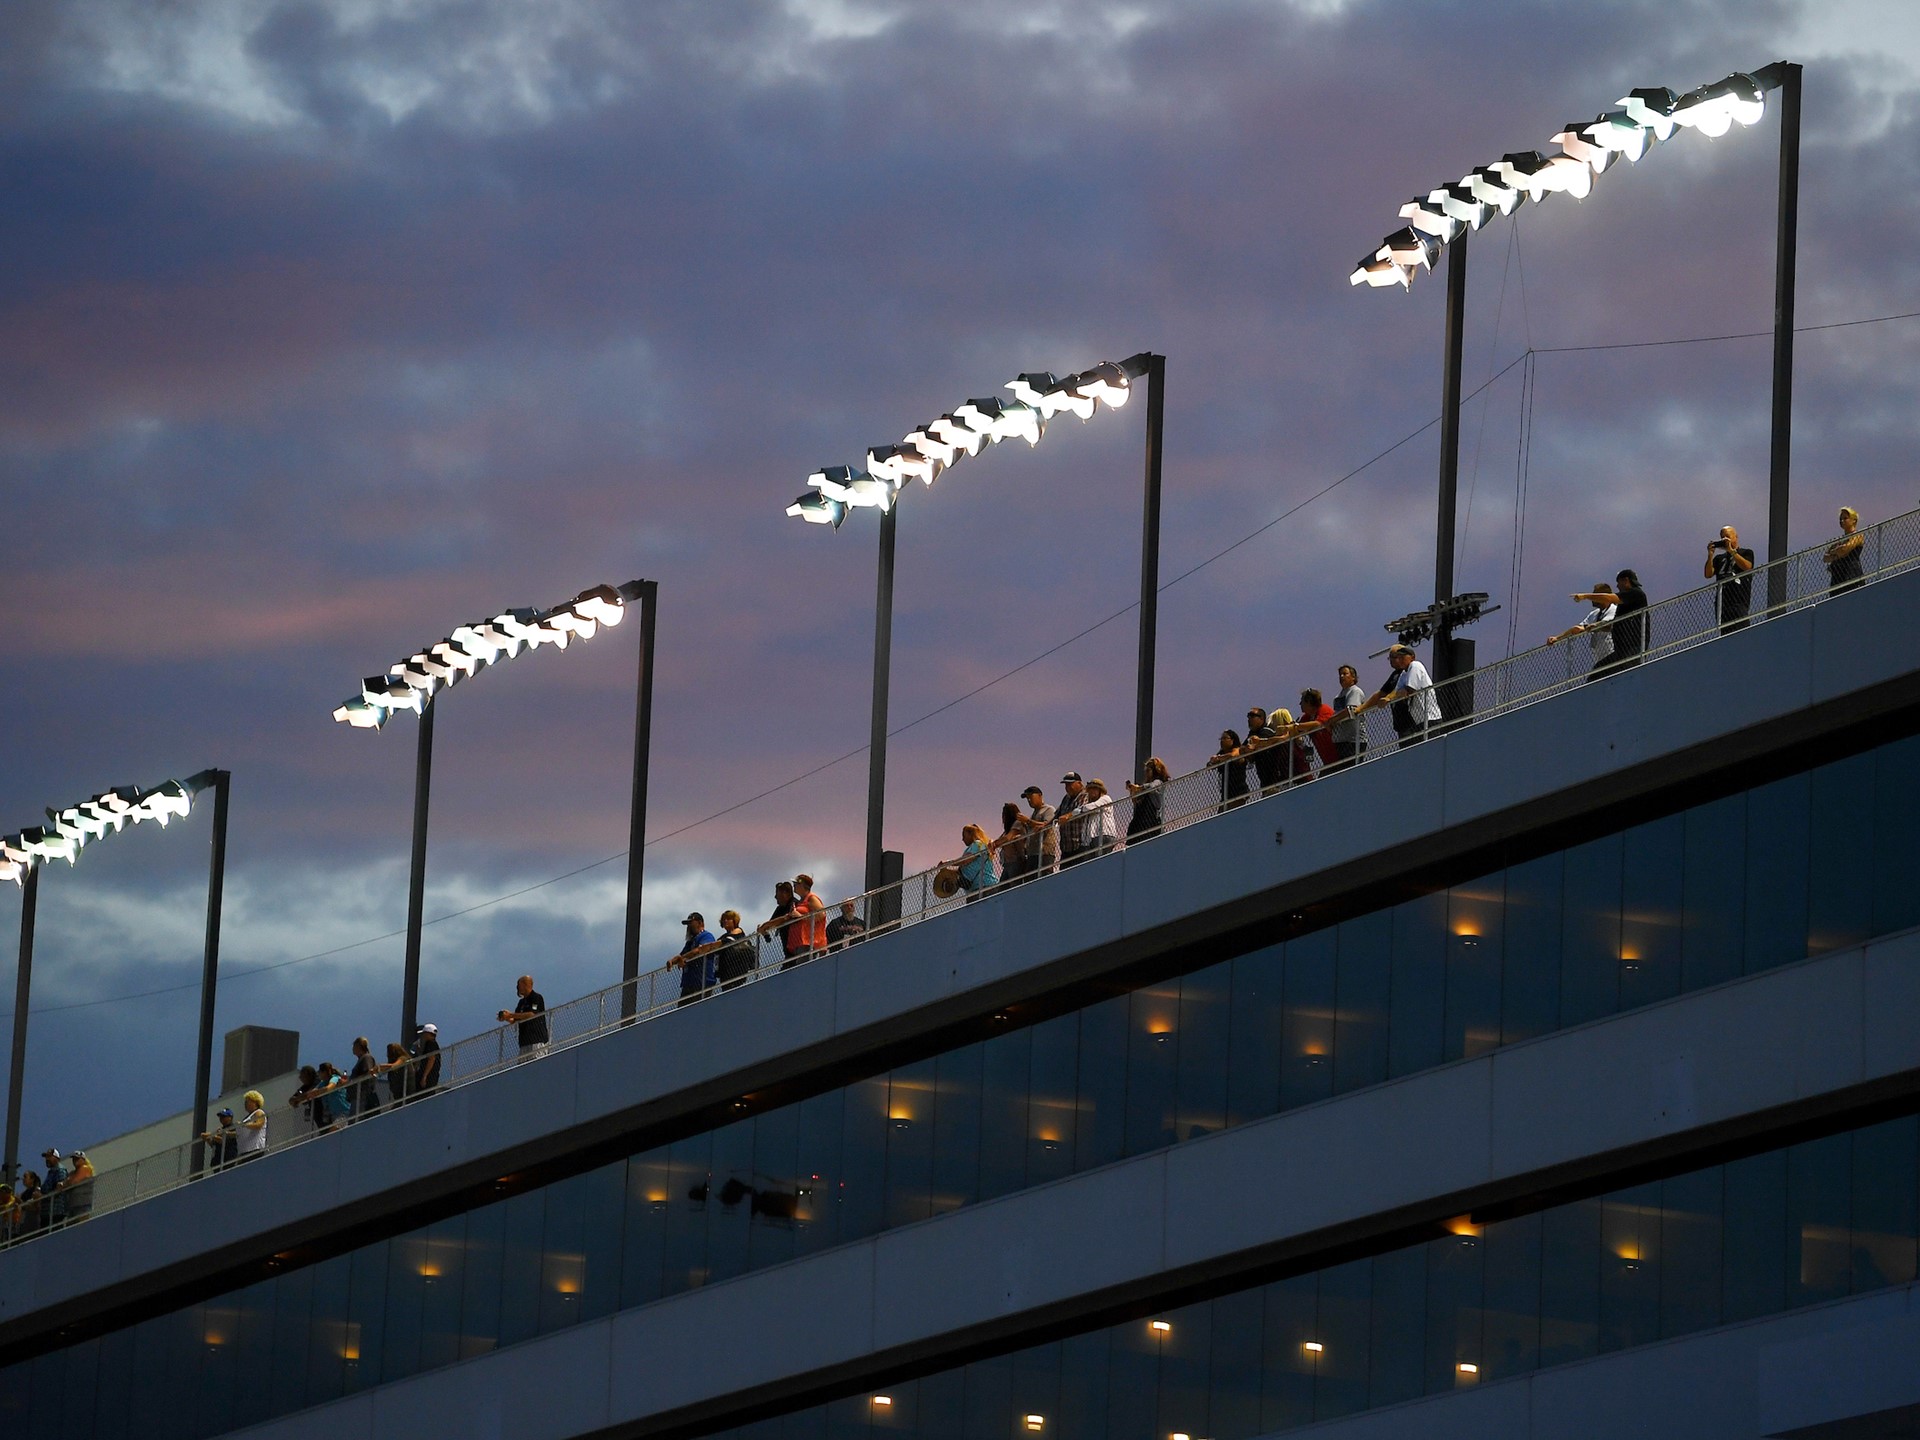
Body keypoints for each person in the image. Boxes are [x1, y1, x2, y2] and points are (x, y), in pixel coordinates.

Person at [1357, 645, 1440, 746]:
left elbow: (1408, 690)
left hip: (1430, 718)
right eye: (1398, 657)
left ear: (1412, 657)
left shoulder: (1415, 665)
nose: (1400, 659)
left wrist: (1392, 697)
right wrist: (1387, 699)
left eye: (1402, 657)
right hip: (1419, 721)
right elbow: (1396, 691)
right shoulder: (1403, 674)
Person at [1577, 570, 1648, 672]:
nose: (1617, 586)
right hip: (1622, 648)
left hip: (1634, 646)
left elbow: (1609, 598)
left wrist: (1585, 596)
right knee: (1597, 672)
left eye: (1618, 583)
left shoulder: (1636, 593)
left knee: (1622, 672)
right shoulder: (1623, 604)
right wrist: (1597, 625)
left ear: (1626, 581)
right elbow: (1612, 623)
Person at [1548, 582, 1616, 680]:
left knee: (1593, 679)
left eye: (1595, 595)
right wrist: (1557, 638)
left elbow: (1607, 624)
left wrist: (1594, 626)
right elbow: (1577, 629)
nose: (1592, 598)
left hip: (1612, 653)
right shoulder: (1594, 614)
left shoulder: (1613, 610)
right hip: (1599, 656)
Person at [1705, 525, 1755, 632]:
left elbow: (1747, 567)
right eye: (1722, 537)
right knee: (1725, 632)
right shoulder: (1719, 559)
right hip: (1723, 602)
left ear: (1735, 537)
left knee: (1742, 630)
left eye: (1727, 536)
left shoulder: (1746, 552)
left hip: (1739, 600)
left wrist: (1732, 551)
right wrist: (1710, 556)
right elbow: (1708, 574)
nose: (1724, 539)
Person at [499, 975, 550, 1062]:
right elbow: (515, 1020)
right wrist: (506, 1017)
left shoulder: (536, 997)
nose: (517, 988)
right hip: (524, 1043)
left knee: (537, 1064)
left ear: (525, 984)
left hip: (536, 1040)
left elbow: (531, 1014)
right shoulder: (521, 1002)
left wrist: (511, 1014)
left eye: (519, 985)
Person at [1327, 667, 1368, 772]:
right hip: (1341, 740)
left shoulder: (1355, 691)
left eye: (1345, 674)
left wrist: (1332, 720)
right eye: (1340, 675)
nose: (1341, 677)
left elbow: (1351, 710)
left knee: (1352, 770)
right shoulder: (1338, 696)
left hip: (1354, 740)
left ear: (1353, 677)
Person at [672, 912, 717, 1004]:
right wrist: (672, 961)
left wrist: (683, 958)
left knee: (699, 1010)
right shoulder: (690, 941)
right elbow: (682, 955)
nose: (689, 927)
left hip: (702, 981)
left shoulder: (706, 936)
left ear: (700, 923)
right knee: (683, 1012)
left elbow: (700, 950)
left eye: (691, 923)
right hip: (689, 982)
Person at [946, 823, 997, 901]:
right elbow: (966, 867)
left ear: (971, 834)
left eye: (964, 836)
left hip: (983, 886)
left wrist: (948, 863)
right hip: (977, 888)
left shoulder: (977, 844)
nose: (962, 839)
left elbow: (966, 860)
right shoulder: (981, 845)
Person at [1241, 709, 1284, 796]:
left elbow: (1259, 745)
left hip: (1276, 777)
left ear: (1261, 718)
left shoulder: (1267, 731)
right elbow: (1242, 748)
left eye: (1252, 716)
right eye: (1248, 716)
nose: (1249, 719)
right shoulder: (1252, 733)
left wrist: (1253, 747)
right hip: (1264, 778)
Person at [1126, 758, 1170, 843]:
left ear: (1155, 770)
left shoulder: (1158, 782)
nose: (1146, 773)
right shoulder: (1145, 787)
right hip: (1139, 821)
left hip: (1150, 821)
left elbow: (1152, 787)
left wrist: (1139, 788)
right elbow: (1136, 803)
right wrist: (1133, 792)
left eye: (1148, 770)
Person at [789, 874, 831, 964]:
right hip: (801, 941)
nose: (794, 886)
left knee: (803, 968)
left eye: (796, 884)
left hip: (811, 942)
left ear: (803, 886)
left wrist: (800, 916)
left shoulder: (811, 898)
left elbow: (821, 914)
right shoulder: (800, 901)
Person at [1017, 786, 1059, 874]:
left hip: (1044, 852)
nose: (1029, 800)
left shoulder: (1049, 809)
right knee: (1030, 880)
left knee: (1044, 878)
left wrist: (1027, 821)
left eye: (1030, 797)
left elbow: (1048, 825)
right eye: (1027, 798)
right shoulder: (1034, 813)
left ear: (1040, 795)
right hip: (1032, 853)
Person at [290, 1065, 340, 1135]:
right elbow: (291, 1100)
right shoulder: (305, 1087)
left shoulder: (318, 1081)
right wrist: (298, 1099)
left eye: (302, 1075)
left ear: (308, 1075)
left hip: (326, 1111)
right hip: (318, 1114)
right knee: (324, 1131)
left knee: (330, 1130)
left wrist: (298, 1099)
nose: (300, 1078)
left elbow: (311, 1093)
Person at [713, 911, 757, 990]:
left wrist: (709, 946)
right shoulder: (723, 937)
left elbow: (728, 939)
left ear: (735, 921)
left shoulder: (738, 931)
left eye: (728, 919)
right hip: (725, 971)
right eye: (723, 919)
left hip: (738, 968)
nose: (725, 921)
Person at [1826, 506, 1865, 594]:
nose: (1842, 521)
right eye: (1840, 519)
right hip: (1838, 576)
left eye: (1845, 518)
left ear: (1854, 520)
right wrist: (1837, 553)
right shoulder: (1840, 540)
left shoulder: (1857, 535)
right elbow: (1825, 557)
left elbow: (1845, 549)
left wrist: (1834, 553)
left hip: (1851, 574)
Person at [1299, 689, 1338, 773]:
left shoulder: (1324, 710)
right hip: (1327, 761)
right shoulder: (1307, 717)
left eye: (1302, 701)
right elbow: (1298, 730)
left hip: (1338, 757)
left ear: (1309, 702)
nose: (1300, 704)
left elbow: (1318, 724)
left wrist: (1296, 726)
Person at [993, 801, 1031, 885]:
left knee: (1014, 885)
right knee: (1002, 888)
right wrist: (993, 843)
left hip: (1016, 860)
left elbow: (1008, 838)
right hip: (1008, 863)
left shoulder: (1018, 824)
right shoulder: (1008, 830)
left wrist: (995, 845)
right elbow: (1001, 838)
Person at [1054, 774, 1089, 865]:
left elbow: (1082, 810)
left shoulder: (1085, 795)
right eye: (1066, 785)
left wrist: (1068, 816)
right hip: (1066, 846)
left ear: (1079, 783)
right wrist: (1045, 824)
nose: (1067, 787)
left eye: (1070, 784)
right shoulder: (1066, 798)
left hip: (1080, 844)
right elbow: (1057, 814)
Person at [1078, 781, 1117, 862]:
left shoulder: (1105, 798)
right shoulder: (1088, 804)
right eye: (1090, 789)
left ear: (1100, 790)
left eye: (1095, 789)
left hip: (1105, 834)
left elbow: (1093, 807)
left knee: (1101, 861)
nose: (1092, 791)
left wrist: (1077, 811)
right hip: (1091, 838)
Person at [1209, 731, 1248, 809]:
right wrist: (1213, 761)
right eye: (1221, 739)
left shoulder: (1237, 750)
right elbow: (1210, 765)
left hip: (1238, 792)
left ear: (1232, 740)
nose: (1222, 741)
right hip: (1226, 793)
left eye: (1225, 738)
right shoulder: (1221, 753)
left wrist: (1219, 758)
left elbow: (1233, 755)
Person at [347, 1037, 383, 1121]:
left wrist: (352, 1081)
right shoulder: (362, 1058)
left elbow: (368, 1072)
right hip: (358, 1096)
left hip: (361, 1096)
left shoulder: (366, 1058)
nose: (352, 1048)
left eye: (353, 1046)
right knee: (353, 1120)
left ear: (358, 1046)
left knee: (355, 1120)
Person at [410, 1024, 442, 1097]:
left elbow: (431, 1059)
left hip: (429, 1077)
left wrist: (424, 1076)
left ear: (428, 1033)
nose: (422, 1036)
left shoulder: (430, 1044)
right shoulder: (433, 1044)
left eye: (424, 1033)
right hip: (432, 1076)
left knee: (423, 1095)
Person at [62, 1151, 94, 1221]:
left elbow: (73, 1182)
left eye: (77, 1159)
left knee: (81, 1227)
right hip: (72, 1205)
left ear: (83, 1159)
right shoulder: (72, 1172)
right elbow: (62, 1186)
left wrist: (67, 1183)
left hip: (82, 1205)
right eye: (73, 1159)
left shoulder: (85, 1168)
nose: (75, 1161)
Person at [237, 1090, 268, 1160]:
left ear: (255, 1102)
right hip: (245, 1150)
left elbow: (259, 1124)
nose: (245, 1104)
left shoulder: (259, 1112)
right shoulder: (247, 1117)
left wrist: (244, 1125)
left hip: (254, 1148)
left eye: (248, 1101)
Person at [41, 1149, 67, 1227]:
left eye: (49, 1157)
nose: (47, 1159)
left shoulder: (60, 1170)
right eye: (46, 1157)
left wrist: (42, 1197)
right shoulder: (51, 1172)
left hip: (56, 1211)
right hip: (47, 1212)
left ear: (57, 1158)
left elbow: (59, 1189)